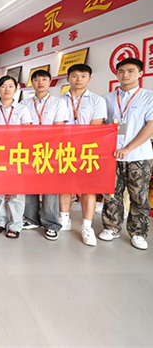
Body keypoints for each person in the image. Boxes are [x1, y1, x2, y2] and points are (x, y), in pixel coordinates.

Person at [100, 58, 153, 250]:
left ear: (140, 73)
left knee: (138, 196)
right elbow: (102, 126)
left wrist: (128, 148)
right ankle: (111, 227)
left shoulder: (148, 97)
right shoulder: (106, 99)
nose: (125, 75)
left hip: (138, 156)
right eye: (121, 71)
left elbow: (150, 126)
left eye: (130, 71)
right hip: (111, 155)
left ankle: (138, 233)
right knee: (111, 193)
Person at [60, 64, 106, 246]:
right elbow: (57, 126)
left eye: (83, 76)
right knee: (64, 186)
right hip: (64, 149)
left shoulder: (97, 101)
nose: (78, 79)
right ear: (68, 78)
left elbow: (96, 127)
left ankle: (87, 226)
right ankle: (64, 220)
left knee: (88, 188)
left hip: (88, 150)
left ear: (89, 79)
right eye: (74, 76)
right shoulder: (59, 100)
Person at [20, 69, 68, 241]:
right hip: (29, 149)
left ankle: (51, 224)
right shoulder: (24, 104)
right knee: (29, 185)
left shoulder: (58, 103)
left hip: (51, 149)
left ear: (49, 82)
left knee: (50, 187)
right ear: (32, 83)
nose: (40, 82)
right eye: (36, 79)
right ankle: (31, 218)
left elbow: (59, 127)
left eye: (44, 79)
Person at [0, 76, 32, 238]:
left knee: (17, 190)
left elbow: (27, 133)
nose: (7, 89)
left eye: (10, 86)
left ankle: (15, 224)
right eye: (3, 86)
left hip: (17, 153)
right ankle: (0, 221)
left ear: (16, 89)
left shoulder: (22, 109)